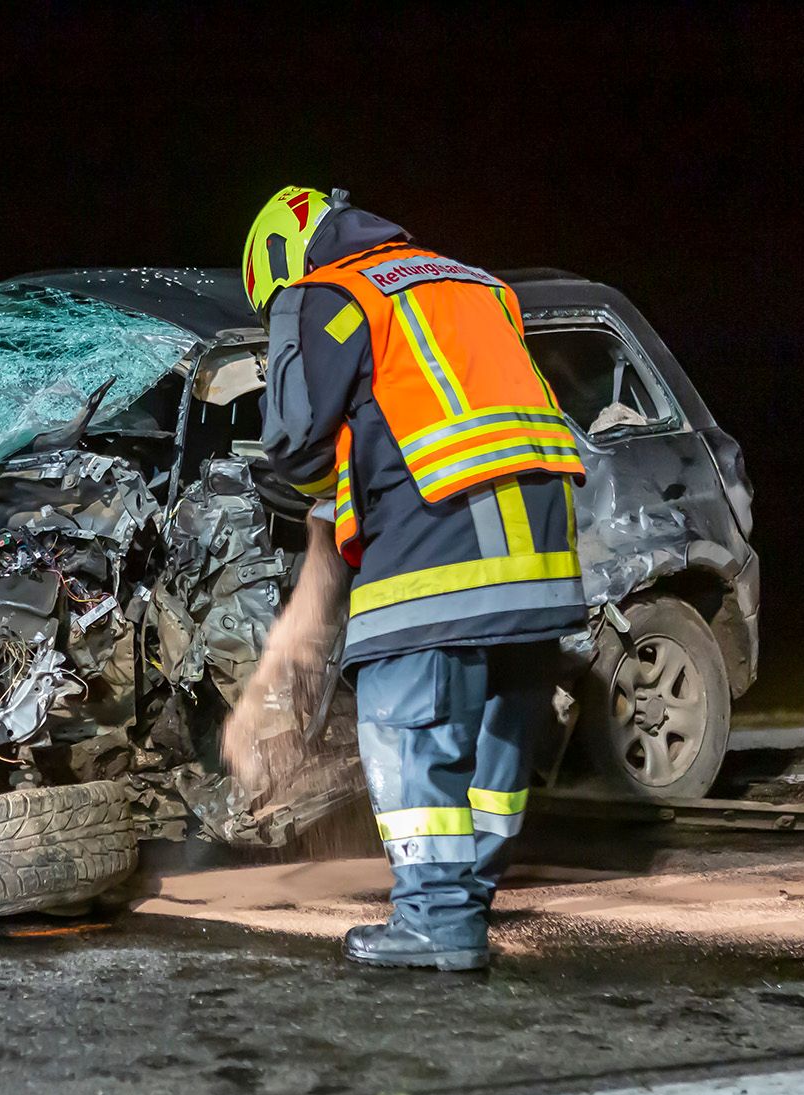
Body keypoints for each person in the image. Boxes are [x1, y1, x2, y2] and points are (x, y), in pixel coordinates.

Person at [246, 186, 587, 970]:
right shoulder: (471, 281)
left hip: (438, 536)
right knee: (499, 741)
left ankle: (437, 921)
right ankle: (464, 904)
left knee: (408, 724)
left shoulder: (329, 292)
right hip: (538, 545)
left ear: (280, 257)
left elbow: (294, 443)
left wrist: (320, 481)